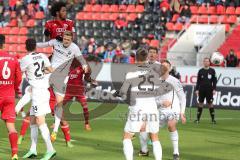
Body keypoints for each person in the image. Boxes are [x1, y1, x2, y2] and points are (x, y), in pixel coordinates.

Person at [36, 31, 89, 143]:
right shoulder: (56, 42)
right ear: (63, 38)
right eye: (65, 39)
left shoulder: (74, 48)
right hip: (50, 72)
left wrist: (84, 65)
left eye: (68, 40)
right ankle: (36, 115)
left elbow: (80, 58)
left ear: (72, 39)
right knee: (37, 92)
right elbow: (43, 45)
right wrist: (33, 45)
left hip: (62, 76)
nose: (66, 41)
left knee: (59, 105)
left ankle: (55, 131)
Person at [116, 49, 163, 160]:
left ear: (135, 58)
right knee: (155, 138)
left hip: (137, 108)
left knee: (127, 137)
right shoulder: (155, 72)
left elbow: (123, 92)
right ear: (147, 58)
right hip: (152, 108)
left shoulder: (132, 71)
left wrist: (118, 93)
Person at [139, 60, 186, 160]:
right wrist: (161, 103)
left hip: (173, 110)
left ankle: (176, 152)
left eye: (166, 66)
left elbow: (182, 97)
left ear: (169, 68)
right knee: (146, 129)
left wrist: (182, 113)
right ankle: (145, 150)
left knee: (171, 125)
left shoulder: (175, 81)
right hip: (160, 111)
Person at [20, 38, 56, 160]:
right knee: (33, 121)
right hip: (43, 91)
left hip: (38, 93)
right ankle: (33, 149)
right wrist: (41, 71)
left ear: (26, 47)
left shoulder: (25, 59)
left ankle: (50, 150)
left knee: (40, 121)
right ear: (36, 47)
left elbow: (20, 71)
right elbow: (51, 70)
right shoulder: (42, 55)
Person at [0, 34, 22, 160]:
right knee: (11, 126)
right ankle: (14, 154)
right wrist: (12, 89)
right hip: (9, 96)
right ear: (4, 43)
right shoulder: (13, 58)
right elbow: (18, 79)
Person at [63, 59, 91, 131]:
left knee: (85, 107)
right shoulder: (69, 66)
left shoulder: (82, 67)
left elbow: (87, 77)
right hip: (69, 90)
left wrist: (89, 77)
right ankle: (56, 122)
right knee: (60, 106)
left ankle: (87, 124)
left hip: (79, 91)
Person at [195, 58, 217, 124]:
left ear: (209, 62)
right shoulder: (200, 71)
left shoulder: (212, 70)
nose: (206, 62)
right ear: (203, 62)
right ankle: (198, 119)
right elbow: (198, 81)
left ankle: (213, 120)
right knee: (200, 103)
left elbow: (214, 81)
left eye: (207, 61)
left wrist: (214, 89)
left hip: (209, 90)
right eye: (205, 61)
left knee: (210, 104)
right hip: (201, 89)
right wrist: (197, 89)